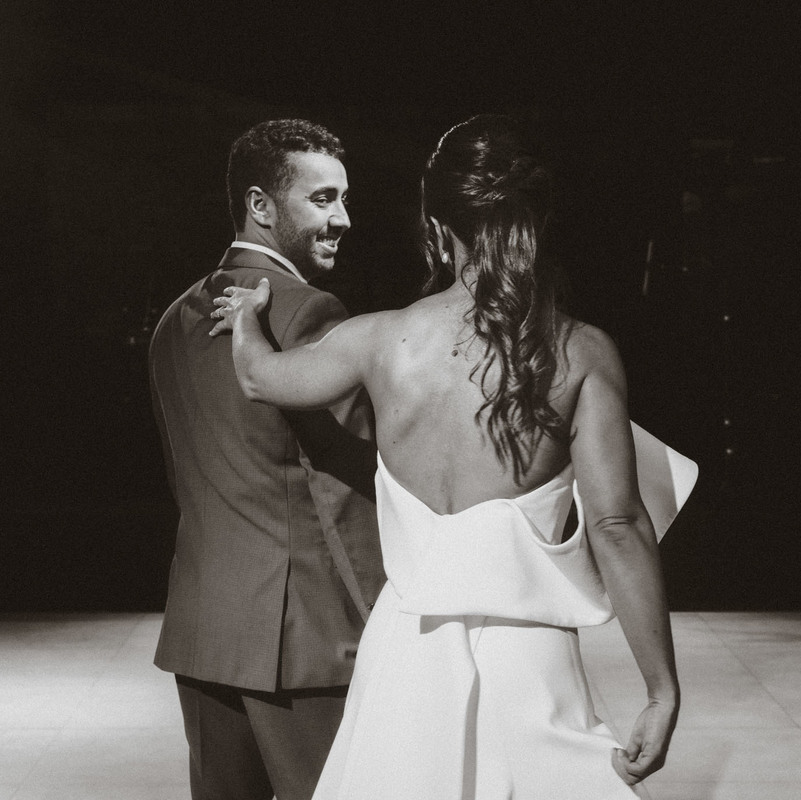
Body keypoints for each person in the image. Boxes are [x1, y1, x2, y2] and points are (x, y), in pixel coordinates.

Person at [209, 115, 682, 798]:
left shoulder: (378, 341)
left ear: (435, 226)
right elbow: (616, 526)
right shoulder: (579, 352)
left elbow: (259, 378)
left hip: (404, 656)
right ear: (537, 221)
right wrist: (661, 691)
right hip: (531, 664)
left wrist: (248, 320)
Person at [148, 118, 385, 800]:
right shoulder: (308, 312)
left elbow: (187, 479)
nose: (343, 219)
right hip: (304, 639)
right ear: (260, 205)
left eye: (343, 198)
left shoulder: (171, 321)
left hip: (204, 628)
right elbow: (347, 487)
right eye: (322, 198)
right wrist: (384, 618)